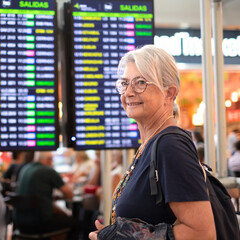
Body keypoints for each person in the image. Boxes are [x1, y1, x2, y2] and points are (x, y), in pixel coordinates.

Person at [89, 45, 215, 239]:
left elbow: (202, 233)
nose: (128, 92)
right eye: (124, 83)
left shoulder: (170, 146)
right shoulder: (150, 144)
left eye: (140, 83)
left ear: (169, 93)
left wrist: (123, 237)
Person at [15, 151, 80, 240]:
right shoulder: (48, 170)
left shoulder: (25, 168)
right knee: (76, 224)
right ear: (49, 160)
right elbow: (70, 194)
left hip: (19, 223)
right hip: (39, 223)